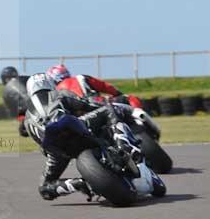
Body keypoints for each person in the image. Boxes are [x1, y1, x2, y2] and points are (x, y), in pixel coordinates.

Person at [22, 73, 140, 201]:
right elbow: (88, 105)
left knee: (45, 187)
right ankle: (124, 147)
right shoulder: (60, 93)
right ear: (50, 84)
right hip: (74, 127)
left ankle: (79, 184)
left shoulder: (27, 118)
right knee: (109, 110)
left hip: (56, 149)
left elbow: (42, 145)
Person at [46, 64, 143, 109]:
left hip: (77, 116)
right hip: (96, 102)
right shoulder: (80, 78)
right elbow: (105, 87)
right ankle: (141, 122)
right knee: (129, 98)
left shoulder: (54, 93)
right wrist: (118, 94)